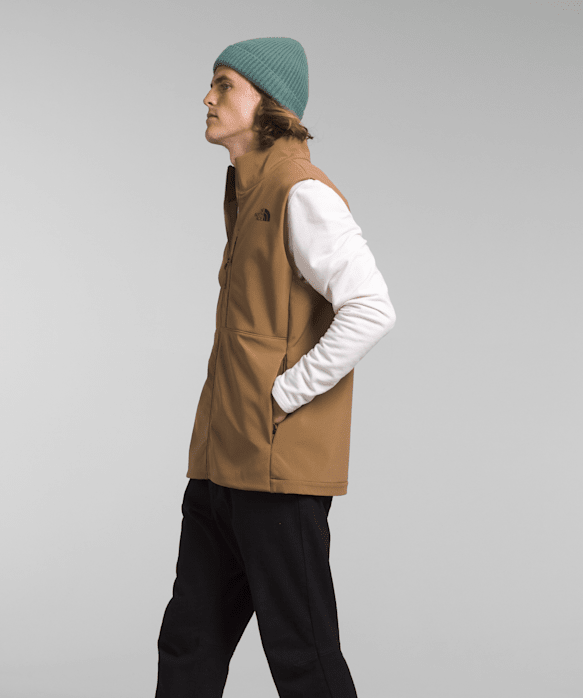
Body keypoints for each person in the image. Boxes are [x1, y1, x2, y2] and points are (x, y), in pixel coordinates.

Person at [155, 37, 396, 697]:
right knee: (188, 644)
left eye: (224, 84)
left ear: (267, 103)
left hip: (275, 470)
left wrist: (286, 394)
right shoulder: (249, 189)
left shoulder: (300, 191)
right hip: (222, 463)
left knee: (302, 657)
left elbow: (371, 308)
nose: (207, 97)